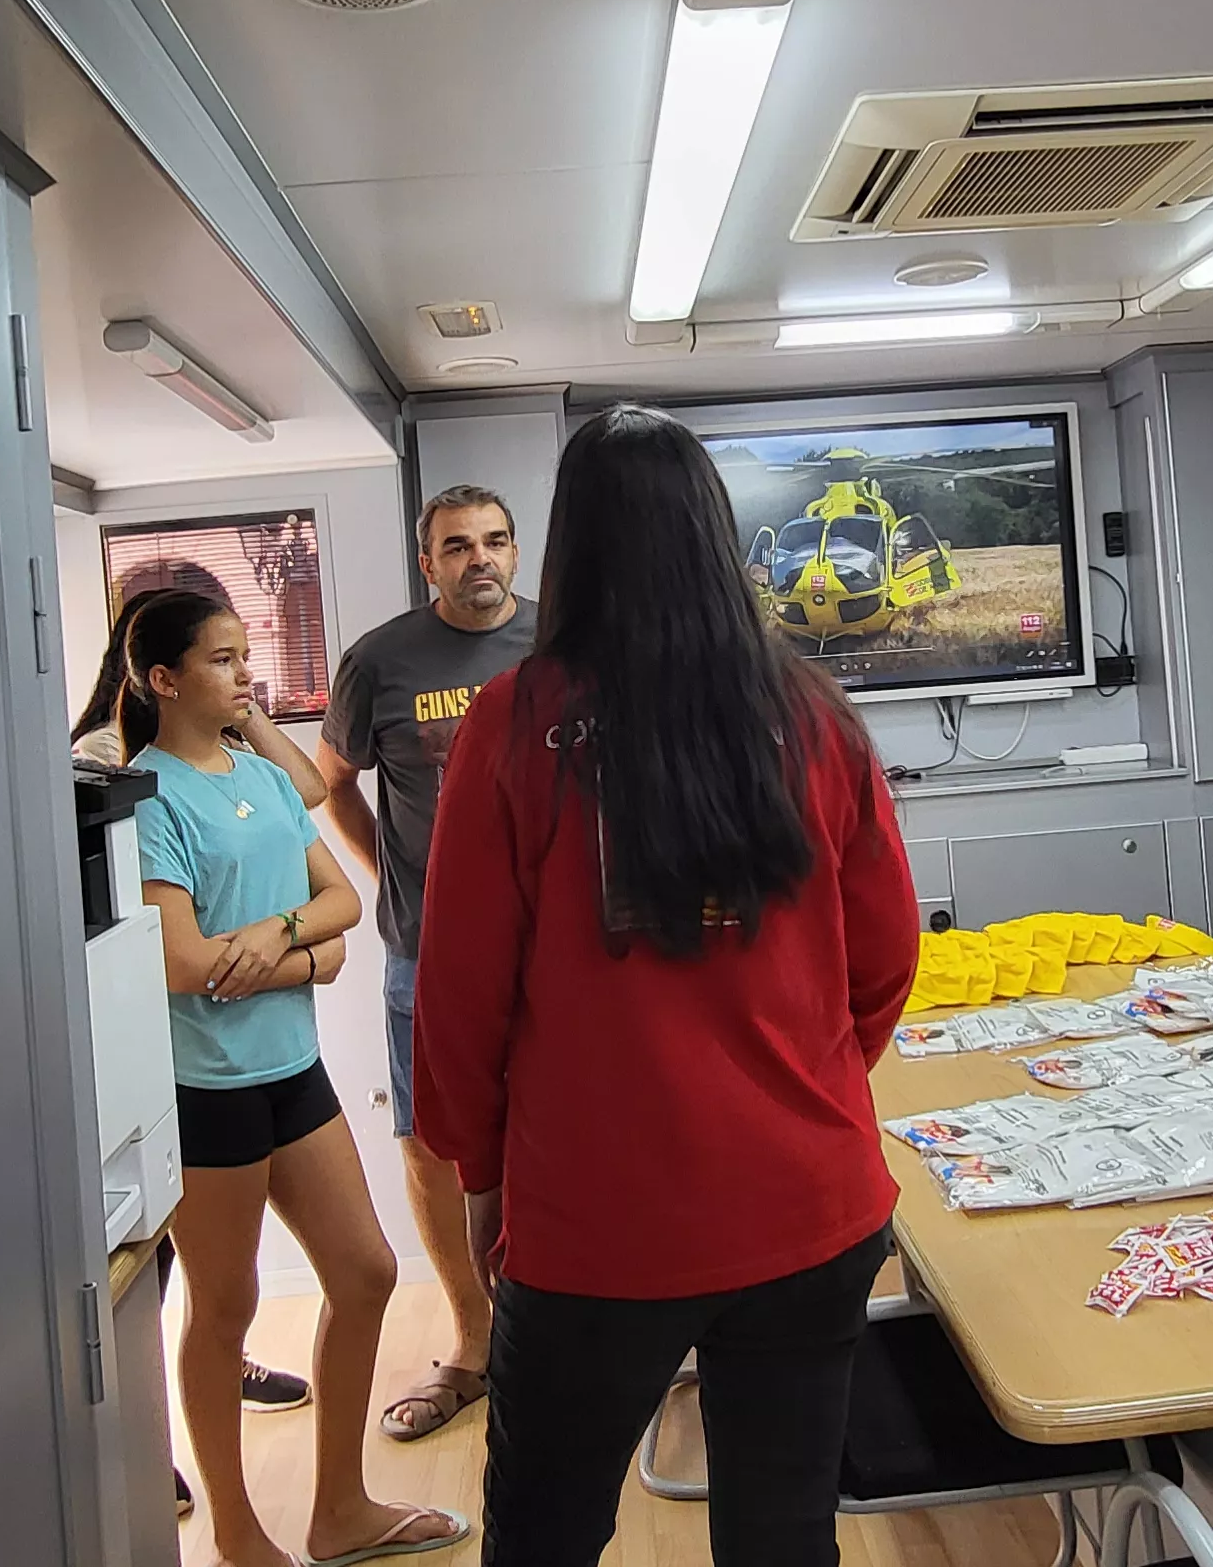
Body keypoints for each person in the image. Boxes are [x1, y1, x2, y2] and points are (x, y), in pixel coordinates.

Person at [409, 407, 920, 1567]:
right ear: (713, 532)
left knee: (543, 1536)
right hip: (811, 1205)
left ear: (567, 547)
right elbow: (885, 960)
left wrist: (478, 1170)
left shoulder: (517, 723)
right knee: (785, 1537)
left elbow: (460, 997)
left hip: (599, 1221)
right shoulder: (814, 718)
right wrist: (805, 1086)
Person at [68, 589, 467, 1567]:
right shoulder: (149, 795)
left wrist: (281, 936)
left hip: (293, 1071)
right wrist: (309, 957)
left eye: (244, 656)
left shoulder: (257, 777)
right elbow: (183, 964)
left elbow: (336, 898)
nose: (243, 674)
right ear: (162, 680)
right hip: (207, 1093)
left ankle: (338, 1513)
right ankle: (241, 1535)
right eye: (219, 660)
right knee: (225, 1309)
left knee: (367, 1273)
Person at [315, 484, 537, 1442]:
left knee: (560, 1127)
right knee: (431, 1142)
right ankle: (475, 1333)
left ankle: (578, 1313)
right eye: (457, 546)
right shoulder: (380, 661)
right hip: (425, 954)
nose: (477, 559)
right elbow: (336, 787)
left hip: (550, 952)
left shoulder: (561, 642)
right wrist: (397, 881)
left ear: (516, 552)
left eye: (493, 542)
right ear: (428, 562)